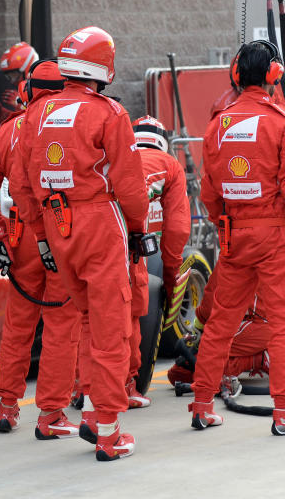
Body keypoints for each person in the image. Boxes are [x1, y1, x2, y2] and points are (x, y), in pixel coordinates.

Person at [10, 27, 149, 461]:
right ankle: (108, 430)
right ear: (102, 67)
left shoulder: (35, 113)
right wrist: (139, 228)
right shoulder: (109, 114)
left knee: (87, 320)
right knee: (109, 328)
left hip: (56, 225)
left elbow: (21, 183)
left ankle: (91, 411)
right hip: (98, 221)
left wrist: (40, 233)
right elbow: (130, 184)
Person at [192, 40, 285, 435]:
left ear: (236, 74)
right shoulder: (282, 123)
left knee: (220, 323)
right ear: (274, 76)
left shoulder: (218, 124)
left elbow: (208, 191)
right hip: (273, 236)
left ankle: (201, 404)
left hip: (234, 236)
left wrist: (224, 226)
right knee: (283, 325)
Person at [0, 60, 82, 438]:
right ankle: (51, 414)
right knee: (61, 327)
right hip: (62, 236)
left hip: (19, 242)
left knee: (18, 326)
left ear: (27, 91)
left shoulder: (7, 131)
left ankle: (7, 408)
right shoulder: (74, 123)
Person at [124, 115, 190, 408]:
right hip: (127, 250)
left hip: (83, 242)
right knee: (131, 314)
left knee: (84, 318)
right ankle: (127, 387)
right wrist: (173, 274)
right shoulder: (169, 165)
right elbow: (176, 230)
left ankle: (81, 390)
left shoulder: (113, 155)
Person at [0, 42, 38, 131]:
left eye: (14, 75)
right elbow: (18, 125)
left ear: (27, 69)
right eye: (9, 76)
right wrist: (2, 114)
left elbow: (36, 123)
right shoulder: (25, 89)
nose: (12, 81)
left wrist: (20, 104)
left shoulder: (42, 89)